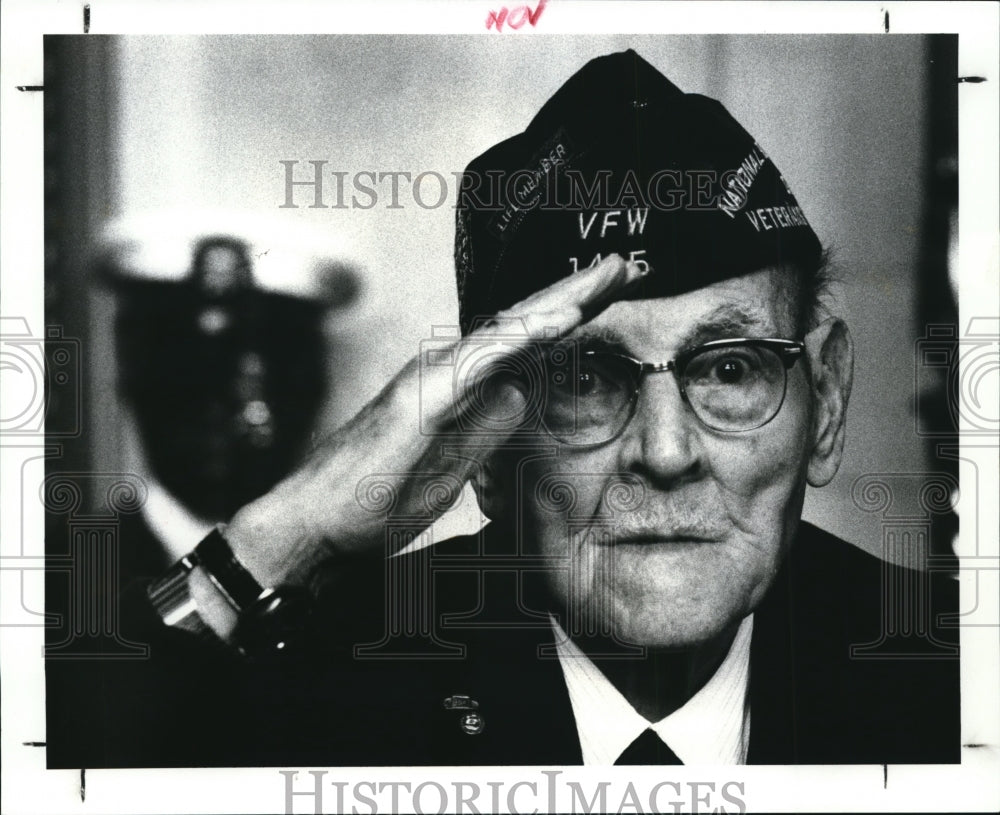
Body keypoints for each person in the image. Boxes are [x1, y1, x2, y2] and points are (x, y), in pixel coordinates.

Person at [46, 49, 958, 769]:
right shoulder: (341, 688)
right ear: (488, 448)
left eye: (728, 370)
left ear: (827, 400)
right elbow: (68, 765)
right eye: (589, 379)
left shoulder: (945, 684)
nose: (668, 450)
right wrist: (291, 532)